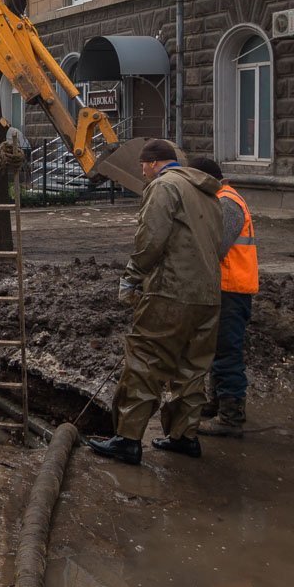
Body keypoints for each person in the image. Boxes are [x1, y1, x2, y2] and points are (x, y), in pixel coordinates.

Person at [89, 139, 222, 465]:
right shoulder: (206, 192)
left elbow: (151, 238)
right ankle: (184, 437)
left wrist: (132, 276)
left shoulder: (165, 186)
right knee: (191, 368)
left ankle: (128, 440)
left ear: (153, 163)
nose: (142, 171)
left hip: (171, 291)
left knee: (145, 360)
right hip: (208, 296)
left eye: (143, 165)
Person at [189, 156, 259, 438]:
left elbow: (216, 246)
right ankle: (217, 404)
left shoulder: (227, 203)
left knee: (227, 353)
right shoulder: (221, 199)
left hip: (232, 289)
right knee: (217, 349)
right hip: (225, 287)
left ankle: (231, 418)